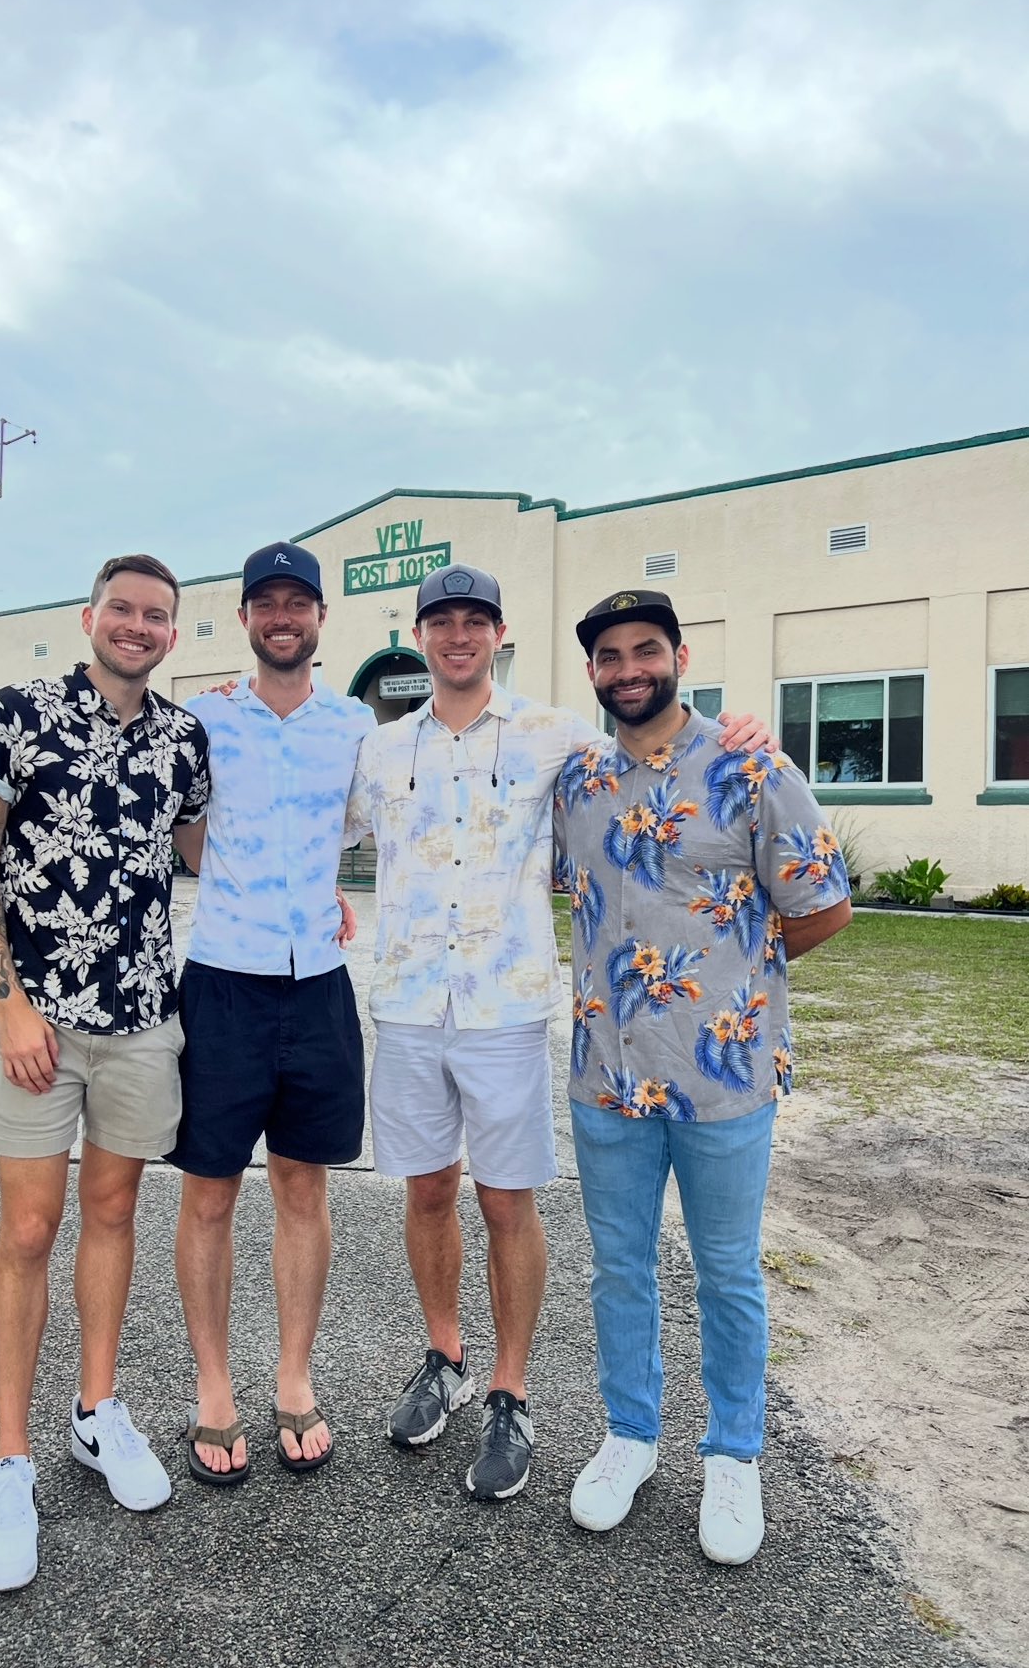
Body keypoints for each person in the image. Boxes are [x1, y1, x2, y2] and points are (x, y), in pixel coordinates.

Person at [341, 567, 781, 1505]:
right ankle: (445, 1360)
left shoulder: (560, 740)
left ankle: (511, 1392)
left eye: (475, 621)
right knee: (426, 1192)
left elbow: (659, 740)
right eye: (441, 621)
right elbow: (303, 821)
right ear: (420, 635)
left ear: (499, 634)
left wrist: (744, 731)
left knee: (507, 1204)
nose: (458, 636)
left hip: (505, 1009)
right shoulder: (375, 752)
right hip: (411, 1004)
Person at [556, 587, 853, 1564]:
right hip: (608, 1078)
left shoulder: (748, 763)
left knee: (727, 1272)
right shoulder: (578, 781)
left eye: (647, 649)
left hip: (723, 1084)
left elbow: (822, 904)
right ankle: (630, 1436)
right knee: (619, 1269)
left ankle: (733, 1455)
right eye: (610, 656)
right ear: (593, 672)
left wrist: (739, 983)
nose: (629, 668)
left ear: (679, 655)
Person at [0, 555, 210, 1593]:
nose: (138, 628)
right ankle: (8, 1462)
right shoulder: (13, 713)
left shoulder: (183, 738)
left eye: (157, 617)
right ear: (90, 618)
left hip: (142, 1016)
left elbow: (201, 852)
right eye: (124, 612)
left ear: (173, 633)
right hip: (38, 1022)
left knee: (112, 1214)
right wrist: (6, 1001)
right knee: (27, 1230)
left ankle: (96, 1412)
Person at [167, 543, 370, 1486]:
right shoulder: (200, 719)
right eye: (266, 603)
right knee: (209, 1191)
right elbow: (184, 836)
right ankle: (214, 1387)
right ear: (245, 617)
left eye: (299, 602)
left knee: (303, 1190)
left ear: (321, 618)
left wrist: (329, 893)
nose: (282, 617)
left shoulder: (357, 725)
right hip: (223, 983)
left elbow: (367, 827)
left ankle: (294, 1376)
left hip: (319, 985)